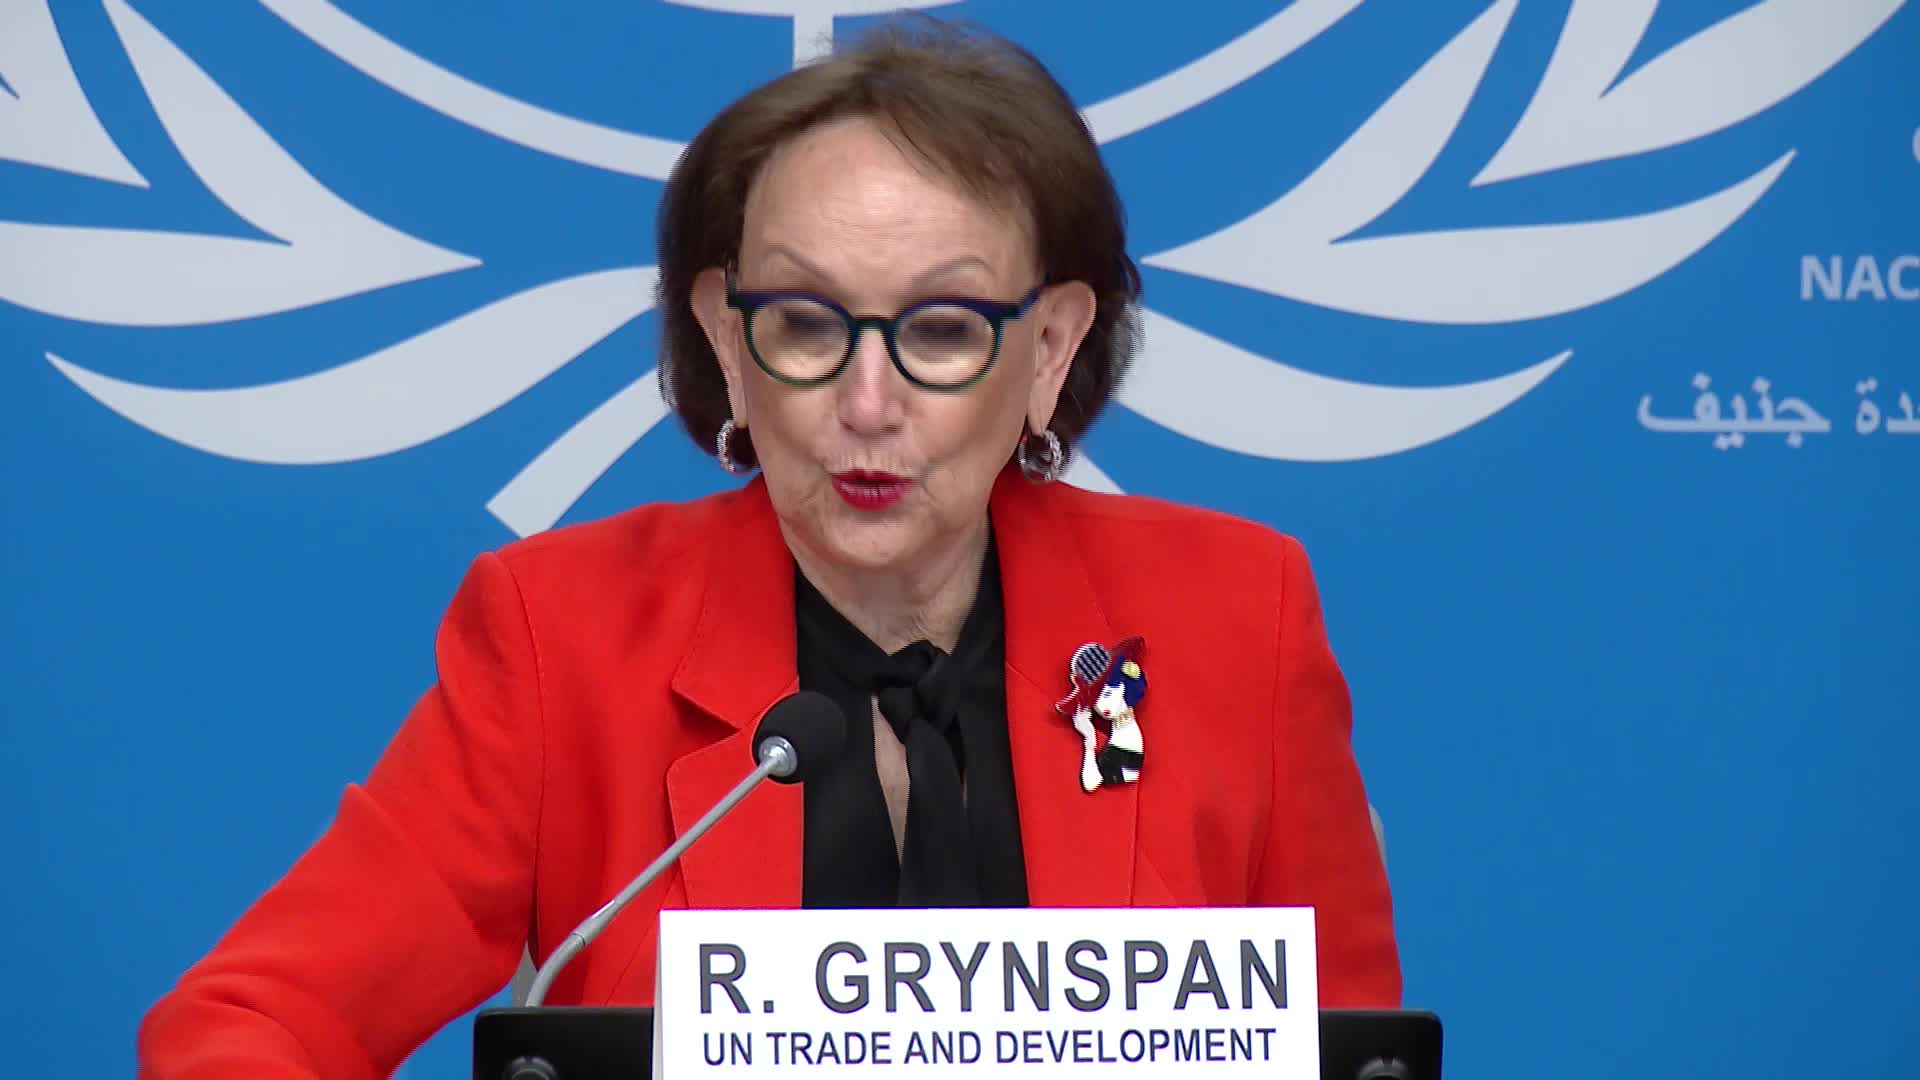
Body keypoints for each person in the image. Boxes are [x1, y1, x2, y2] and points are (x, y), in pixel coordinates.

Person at [139, 19, 1399, 1076]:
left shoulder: (1236, 618)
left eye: (944, 330)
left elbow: (1356, 1053)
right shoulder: (562, 639)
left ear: (1050, 350)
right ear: (727, 342)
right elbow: (243, 1028)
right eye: (803, 323)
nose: (867, 403)